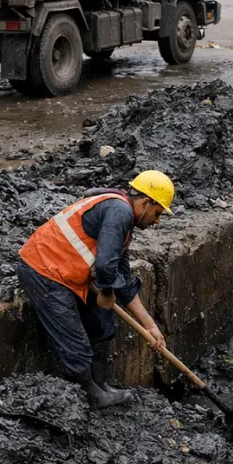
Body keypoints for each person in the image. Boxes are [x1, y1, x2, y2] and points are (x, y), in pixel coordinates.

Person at [17, 170, 173, 409]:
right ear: (145, 203)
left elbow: (123, 278)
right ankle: (91, 395)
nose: (157, 220)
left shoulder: (125, 222)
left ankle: (99, 383)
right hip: (43, 270)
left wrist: (150, 325)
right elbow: (104, 267)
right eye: (157, 213)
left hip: (67, 272)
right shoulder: (119, 212)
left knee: (102, 321)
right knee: (75, 342)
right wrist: (108, 291)